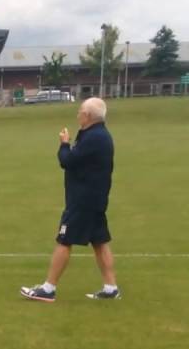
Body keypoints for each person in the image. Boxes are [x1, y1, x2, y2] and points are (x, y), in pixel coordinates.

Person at [20, 97, 120, 301]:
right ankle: (111, 288)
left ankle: (48, 289)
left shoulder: (94, 138)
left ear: (88, 116)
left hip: (84, 201)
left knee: (64, 240)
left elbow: (67, 161)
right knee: (99, 241)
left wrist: (64, 144)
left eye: (80, 112)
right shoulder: (96, 135)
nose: (78, 115)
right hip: (95, 199)